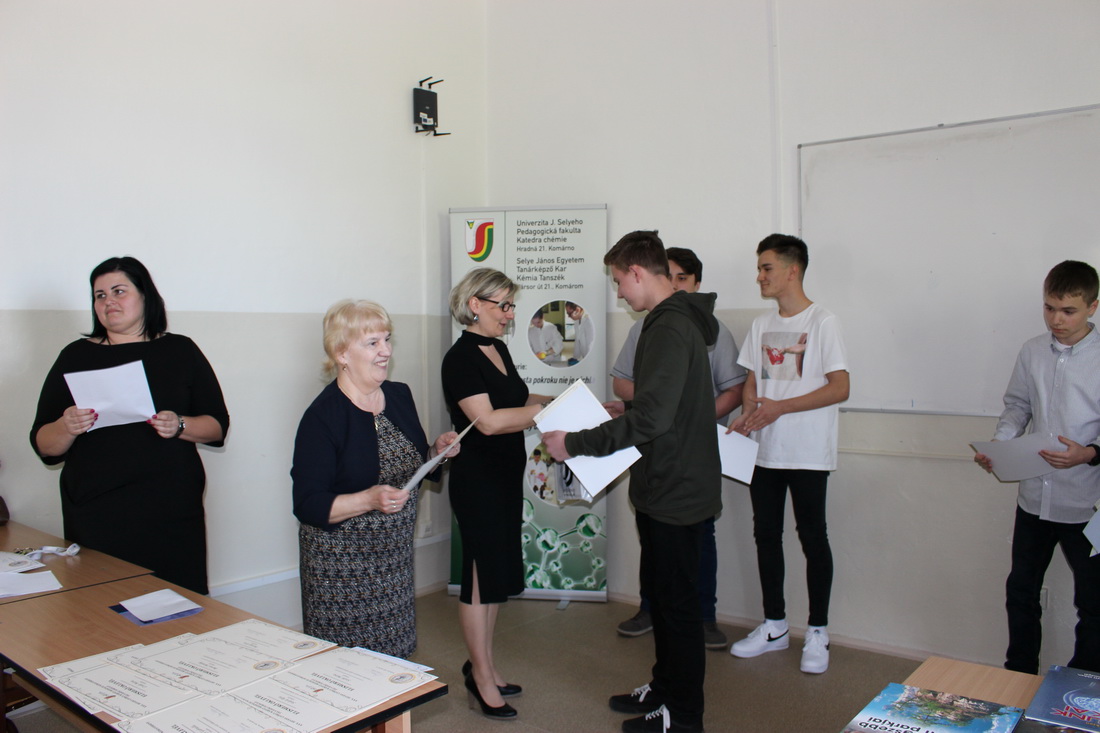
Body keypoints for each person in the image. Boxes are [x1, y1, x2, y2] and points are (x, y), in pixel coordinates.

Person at [543, 231, 720, 733]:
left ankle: (683, 717)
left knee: (678, 609)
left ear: (638, 273)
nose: (619, 292)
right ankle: (664, 689)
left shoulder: (669, 326)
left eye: (620, 281)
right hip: (669, 485)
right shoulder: (672, 322)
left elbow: (654, 419)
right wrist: (630, 407)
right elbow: (663, 407)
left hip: (676, 491)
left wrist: (574, 444)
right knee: (664, 600)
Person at [30, 256, 229, 594]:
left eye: (119, 291)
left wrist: (180, 424)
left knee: (179, 604)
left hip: (171, 509)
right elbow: (44, 446)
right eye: (100, 295)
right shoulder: (75, 356)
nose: (108, 301)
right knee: (101, 606)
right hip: (97, 510)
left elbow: (217, 427)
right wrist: (67, 425)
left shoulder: (180, 350)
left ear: (145, 296)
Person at [291, 299, 459, 658]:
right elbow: (308, 504)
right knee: (349, 672)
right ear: (342, 354)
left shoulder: (399, 396)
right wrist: (368, 500)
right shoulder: (322, 417)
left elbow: (407, 465)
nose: (386, 351)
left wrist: (436, 452)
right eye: (372, 343)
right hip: (341, 572)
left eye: (387, 339)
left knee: (395, 661)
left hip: (394, 562)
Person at [612, 246, 747, 650]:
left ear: (695, 283)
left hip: (690, 459)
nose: (673, 285)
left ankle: (704, 617)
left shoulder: (704, 329)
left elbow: (733, 389)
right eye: (669, 276)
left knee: (696, 540)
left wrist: (688, 416)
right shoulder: (645, 328)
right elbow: (623, 384)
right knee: (655, 539)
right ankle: (650, 609)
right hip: (654, 457)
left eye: (681, 278)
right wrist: (657, 397)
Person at [728, 233, 849, 675]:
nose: (759, 276)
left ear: (792, 270)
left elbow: (840, 387)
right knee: (766, 535)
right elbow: (752, 382)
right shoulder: (761, 324)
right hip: (765, 452)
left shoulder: (823, 322)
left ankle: (817, 631)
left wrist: (781, 408)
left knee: (813, 537)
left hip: (808, 452)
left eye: (767, 268)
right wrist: (749, 413)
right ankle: (774, 625)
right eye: (760, 269)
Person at [974, 260, 1100, 675]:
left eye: (1068, 311)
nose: (1056, 320)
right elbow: (1017, 407)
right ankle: (1019, 676)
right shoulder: (1032, 351)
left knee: (1094, 603)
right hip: (1034, 498)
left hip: (1087, 503)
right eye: (1049, 308)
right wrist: (1001, 445)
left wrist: (1089, 453)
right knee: (1021, 592)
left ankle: (1081, 685)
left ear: (1093, 307)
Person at [442, 267, 554, 721]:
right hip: (478, 481)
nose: (510, 314)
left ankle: (484, 665)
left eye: (511, 305)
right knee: (478, 579)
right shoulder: (459, 359)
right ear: (475, 304)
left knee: (492, 579)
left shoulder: (499, 348)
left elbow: (515, 402)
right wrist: (545, 413)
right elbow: (487, 422)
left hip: (506, 475)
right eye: (503, 305)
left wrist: (559, 402)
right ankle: (481, 678)